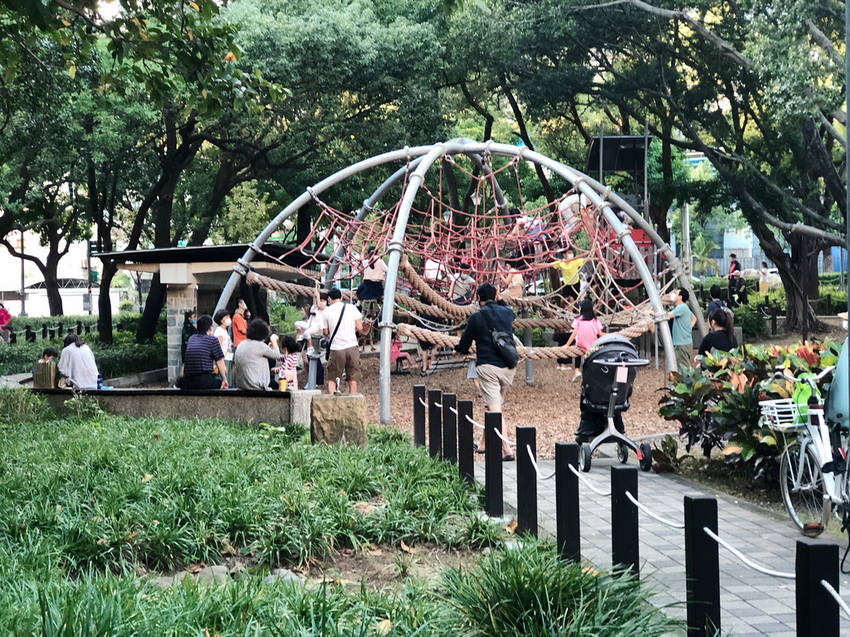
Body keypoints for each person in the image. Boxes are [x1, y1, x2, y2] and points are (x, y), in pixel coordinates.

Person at [453, 282, 516, 461]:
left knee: (495, 410)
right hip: (508, 368)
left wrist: (458, 350)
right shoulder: (507, 313)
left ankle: (507, 450)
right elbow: (507, 308)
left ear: (478, 298)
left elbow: (464, 344)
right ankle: (482, 444)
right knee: (491, 405)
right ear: (496, 296)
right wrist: (499, 297)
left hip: (488, 368)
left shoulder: (476, 317)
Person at [322, 287, 369, 395]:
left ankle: (333, 403)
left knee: (332, 378)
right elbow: (360, 328)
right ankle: (353, 400)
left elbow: (325, 332)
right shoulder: (352, 308)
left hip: (337, 348)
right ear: (342, 297)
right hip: (352, 346)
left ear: (329, 299)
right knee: (352, 379)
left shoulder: (326, 311)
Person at [232, 319, 284, 391]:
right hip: (256, 386)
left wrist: (268, 348)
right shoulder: (260, 346)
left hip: (242, 386)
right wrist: (274, 341)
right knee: (276, 385)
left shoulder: (241, 344)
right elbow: (278, 355)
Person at [181, 314, 228, 389]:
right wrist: (224, 379)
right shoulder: (213, 340)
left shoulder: (191, 339)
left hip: (188, 380)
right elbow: (219, 361)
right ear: (210, 328)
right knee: (220, 383)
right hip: (203, 379)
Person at [563, 299, 604, 382]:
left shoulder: (578, 319)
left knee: (577, 351)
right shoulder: (595, 320)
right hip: (593, 346)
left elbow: (574, 333)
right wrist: (614, 334)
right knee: (592, 358)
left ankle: (577, 370)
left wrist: (567, 345)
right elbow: (601, 334)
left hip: (581, 345)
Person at [666, 288, 697, 371]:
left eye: (676, 293)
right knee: (682, 368)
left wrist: (651, 312)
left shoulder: (681, 308)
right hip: (684, 343)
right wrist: (688, 328)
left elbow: (667, 316)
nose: (673, 295)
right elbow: (694, 318)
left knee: (683, 370)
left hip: (682, 344)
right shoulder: (683, 307)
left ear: (680, 297)